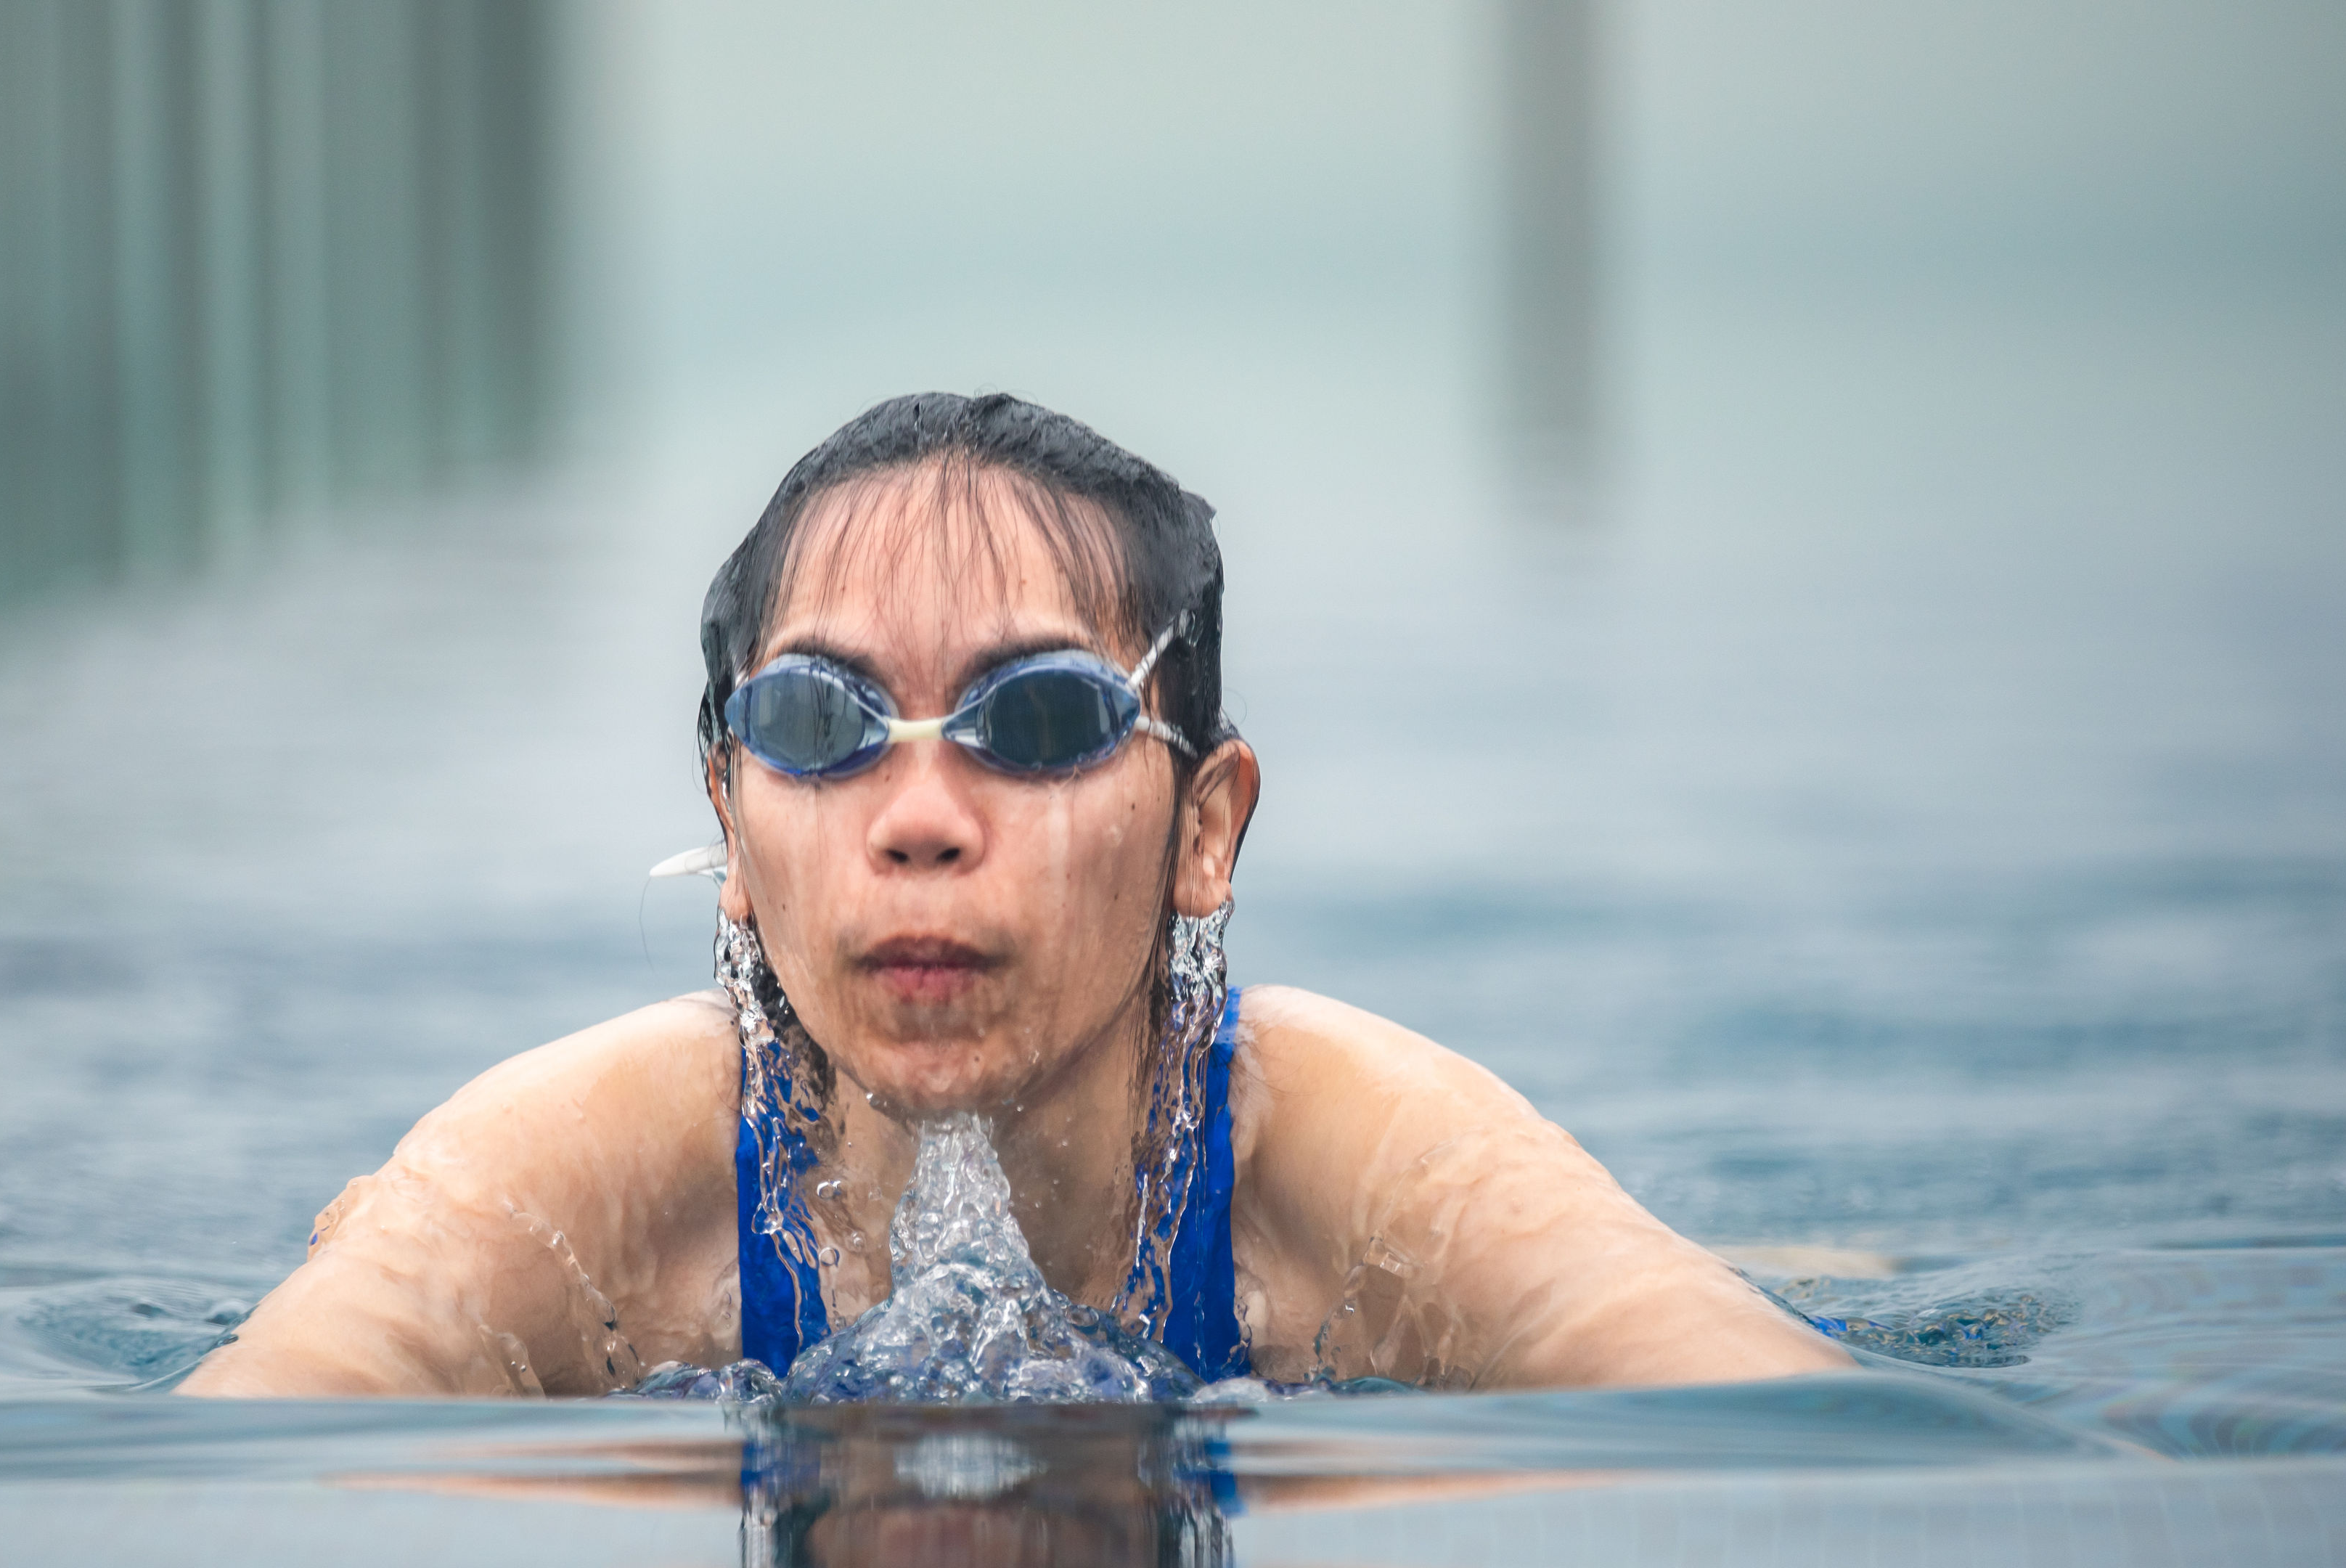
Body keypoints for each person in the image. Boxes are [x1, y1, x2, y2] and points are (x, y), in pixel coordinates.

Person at [180, 393, 1849, 1399]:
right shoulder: (566, 1184)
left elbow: (1786, 1430)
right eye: (820, 725)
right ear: (732, 828)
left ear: (1208, 827)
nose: (917, 817)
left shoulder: (1366, 1163)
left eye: (1037, 719)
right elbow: (228, 1463)